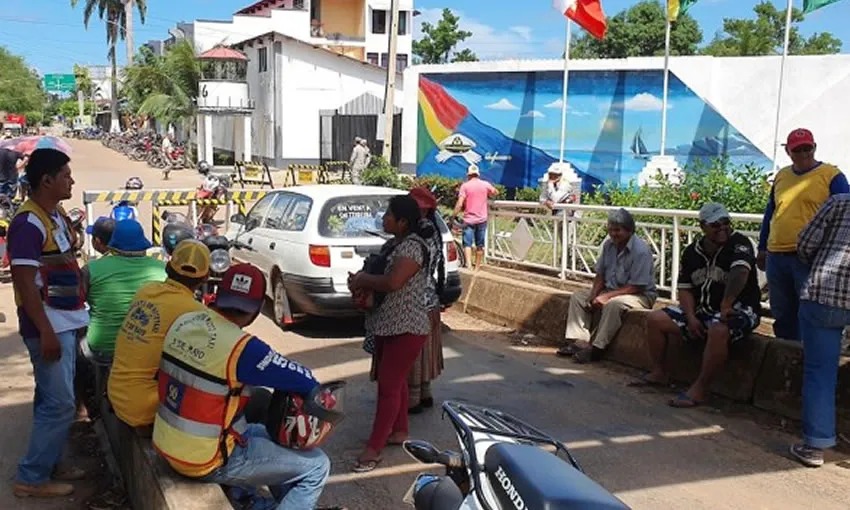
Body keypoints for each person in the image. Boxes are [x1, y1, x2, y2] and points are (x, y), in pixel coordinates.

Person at [151, 262, 332, 509]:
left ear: (218, 294)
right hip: (206, 460)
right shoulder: (242, 348)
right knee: (317, 466)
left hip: (167, 443)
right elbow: (304, 379)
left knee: (264, 431)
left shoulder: (184, 322)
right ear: (257, 310)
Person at [9, 143, 89, 498]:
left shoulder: (53, 215)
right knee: (59, 404)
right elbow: (25, 283)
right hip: (49, 325)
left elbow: (62, 257)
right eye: (65, 176)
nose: (71, 182)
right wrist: (45, 331)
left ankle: (51, 461)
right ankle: (32, 476)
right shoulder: (27, 224)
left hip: (64, 319)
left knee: (51, 398)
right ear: (46, 180)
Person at [638, 203, 761, 408]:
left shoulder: (740, 243)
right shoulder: (691, 253)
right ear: (703, 226)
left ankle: (700, 389)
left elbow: (741, 272)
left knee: (719, 329)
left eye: (725, 223)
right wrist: (691, 317)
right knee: (655, 319)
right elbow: (685, 288)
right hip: (702, 310)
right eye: (715, 225)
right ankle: (659, 372)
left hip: (739, 309)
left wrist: (726, 304)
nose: (722, 228)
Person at [348, 195, 432, 472]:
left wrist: (363, 280)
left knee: (388, 387)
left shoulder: (412, 248)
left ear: (403, 221)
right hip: (388, 323)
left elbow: (394, 282)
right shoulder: (394, 245)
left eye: (388, 214)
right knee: (396, 383)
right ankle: (399, 431)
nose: (384, 218)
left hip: (407, 326)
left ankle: (374, 449)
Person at [107, 239, 210, 431]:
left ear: (168, 266)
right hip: (144, 409)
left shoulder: (146, 291)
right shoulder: (195, 313)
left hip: (116, 393)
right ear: (205, 277)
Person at [757, 129, 848, 341]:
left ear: (814, 147)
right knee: (782, 311)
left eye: (808, 148)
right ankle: (786, 354)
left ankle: (810, 355)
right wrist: (762, 247)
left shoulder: (832, 175)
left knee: (810, 311)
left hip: (809, 256)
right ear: (789, 152)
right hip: (776, 255)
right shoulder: (782, 176)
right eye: (798, 149)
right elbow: (771, 212)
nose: (804, 153)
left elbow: (846, 213)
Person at [789, 194, 850, 467]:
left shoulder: (839, 203)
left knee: (820, 373)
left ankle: (815, 445)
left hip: (825, 294)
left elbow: (805, 243)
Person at [80, 219, 166, 399]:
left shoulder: (92, 269)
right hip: (150, 347)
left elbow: (78, 303)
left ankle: (85, 403)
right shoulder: (163, 270)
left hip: (103, 347)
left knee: (74, 340)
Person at [558, 208, 656, 363]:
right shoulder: (608, 245)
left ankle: (597, 348)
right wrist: (594, 294)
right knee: (579, 297)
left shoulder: (641, 251)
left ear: (629, 230)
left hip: (639, 295)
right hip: (612, 289)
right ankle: (579, 341)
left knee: (613, 304)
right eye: (611, 230)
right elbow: (601, 274)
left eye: (617, 230)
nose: (613, 234)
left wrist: (607, 296)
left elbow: (637, 286)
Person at [407, 187, 446, 414]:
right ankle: (425, 392)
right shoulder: (434, 231)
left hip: (416, 301)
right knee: (427, 350)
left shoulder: (419, 235)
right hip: (430, 298)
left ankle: (413, 398)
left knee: (414, 353)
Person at [453, 163, 498, 269]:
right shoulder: (485, 184)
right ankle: (477, 267)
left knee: (467, 244)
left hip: (468, 220)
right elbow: (496, 192)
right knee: (480, 244)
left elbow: (459, 204)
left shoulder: (465, 186)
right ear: (478, 174)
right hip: (482, 219)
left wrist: (453, 215)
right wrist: (489, 194)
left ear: (468, 175)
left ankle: (469, 266)